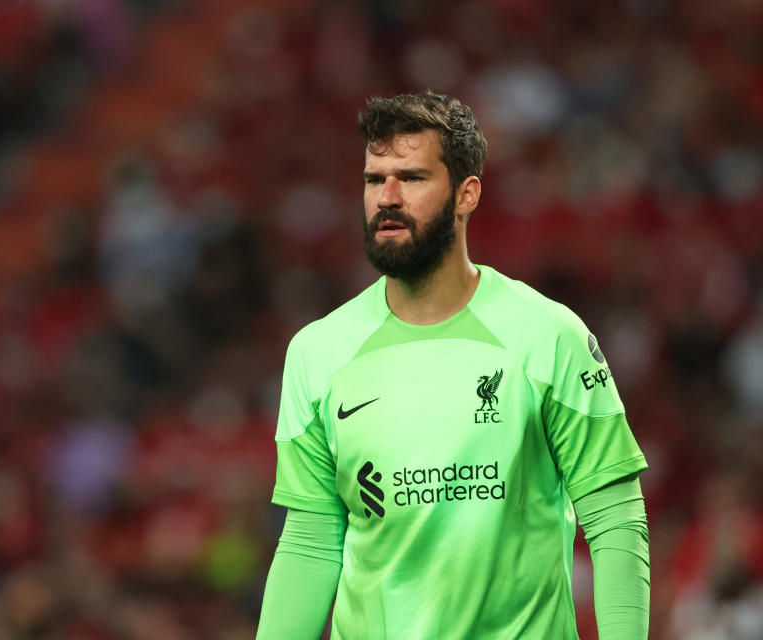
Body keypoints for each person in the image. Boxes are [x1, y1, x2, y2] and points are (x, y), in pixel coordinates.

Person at [256, 92, 650, 639]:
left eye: (412, 178)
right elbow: (311, 541)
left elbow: (616, 520)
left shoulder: (549, 336)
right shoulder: (318, 352)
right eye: (375, 180)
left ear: (467, 195)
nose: (386, 198)